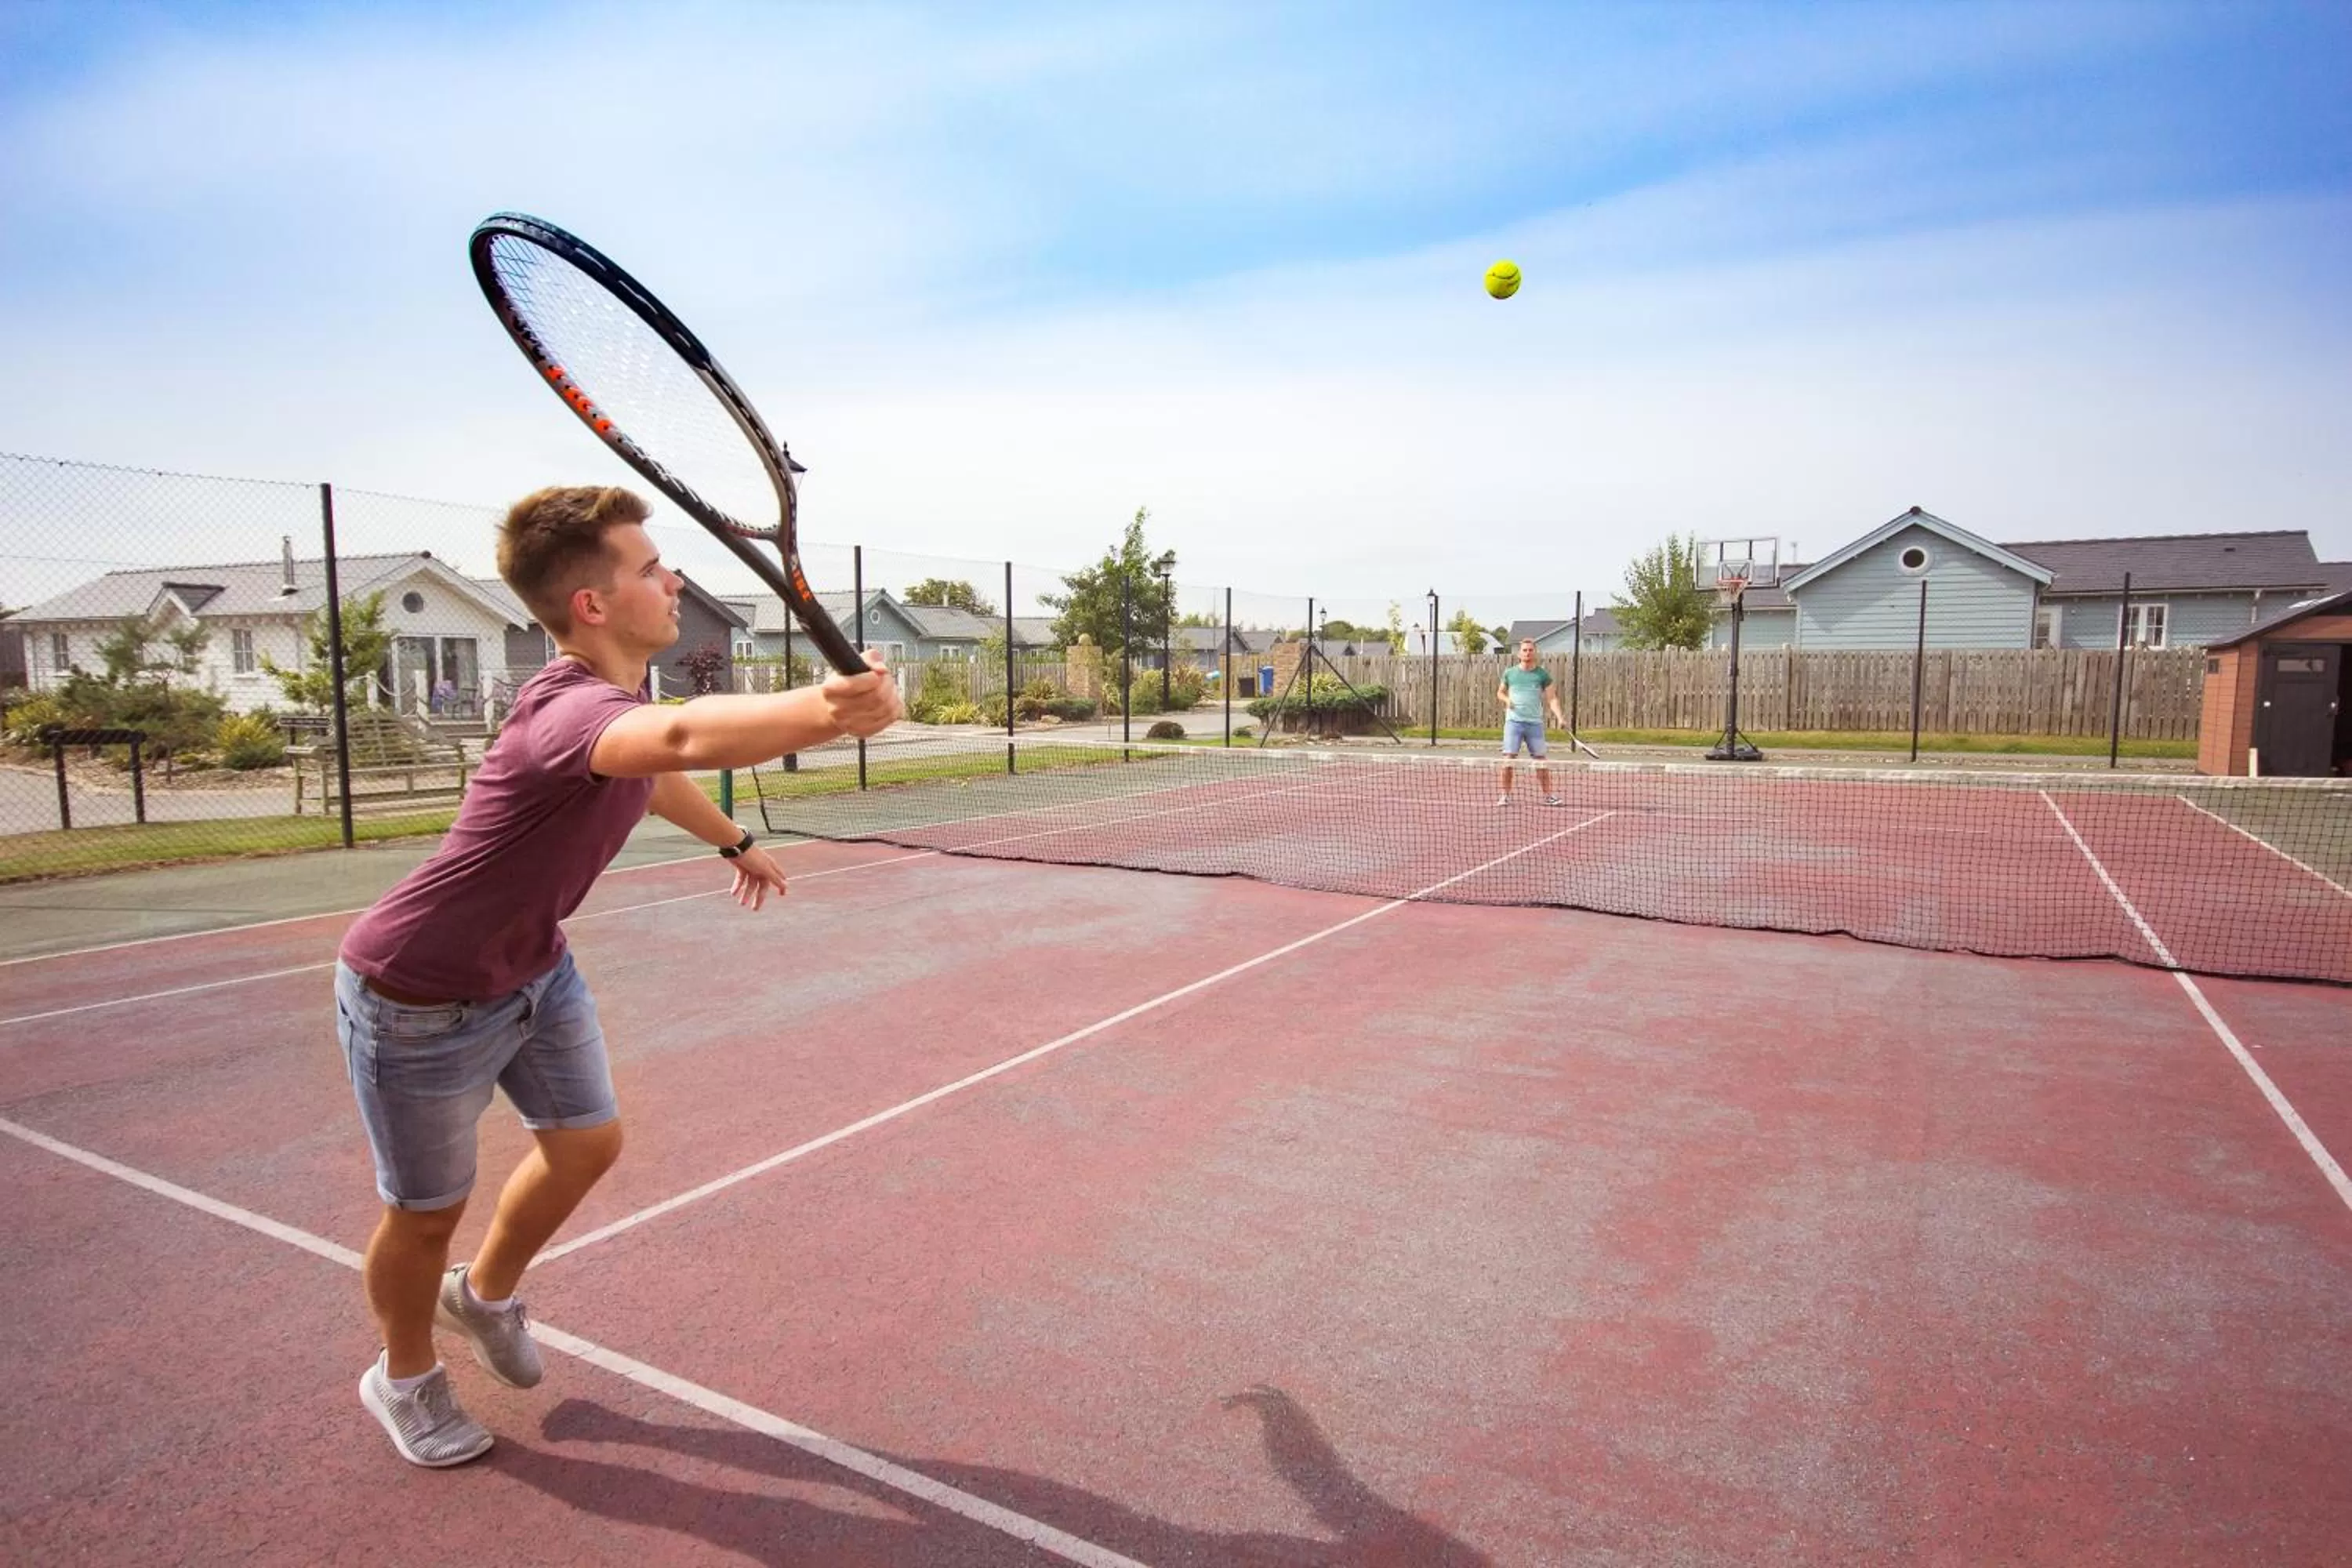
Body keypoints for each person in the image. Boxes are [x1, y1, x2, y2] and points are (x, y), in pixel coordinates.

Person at [333, 485, 900, 1467]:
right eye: (650, 568)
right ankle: (405, 1375)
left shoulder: (615, 707)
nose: (673, 580)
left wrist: (735, 839)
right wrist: (824, 709)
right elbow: (680, 737)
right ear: (592, 604)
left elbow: (656, 772)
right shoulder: (565, 713)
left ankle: (484, 1295)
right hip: (417, 994)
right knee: (423, 1216)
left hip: (534, 971)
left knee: (586, 1143)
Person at [1495, 637, 1566, 806]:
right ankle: (1505, 795)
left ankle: (1548, 796)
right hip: (1514, 723)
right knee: (1508, 759)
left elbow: (1552, 698)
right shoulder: (1510, 673)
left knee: (1541, 760)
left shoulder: (1542, 675)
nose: (1527, 653)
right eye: (1525, 650)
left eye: (1530, 650)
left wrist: (1560, 717)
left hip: (1534, 724)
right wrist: (1507, 700)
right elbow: (1500, 692)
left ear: (1535, 653)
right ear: (1519, 654)